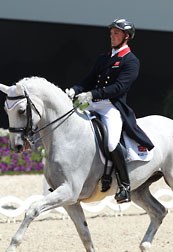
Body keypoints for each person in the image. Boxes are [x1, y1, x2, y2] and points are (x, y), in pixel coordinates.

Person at [65, 18, 154, 203]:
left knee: (112, 143)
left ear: (126, 37)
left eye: (116, 33)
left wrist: (91, 94)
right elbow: (88, 79)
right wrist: (76, 89)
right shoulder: (103, 58)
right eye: (111, 33)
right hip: (93, 102)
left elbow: (119, 88)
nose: (112, 36)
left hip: (112, 107)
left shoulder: (131, 61)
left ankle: (124, 185)